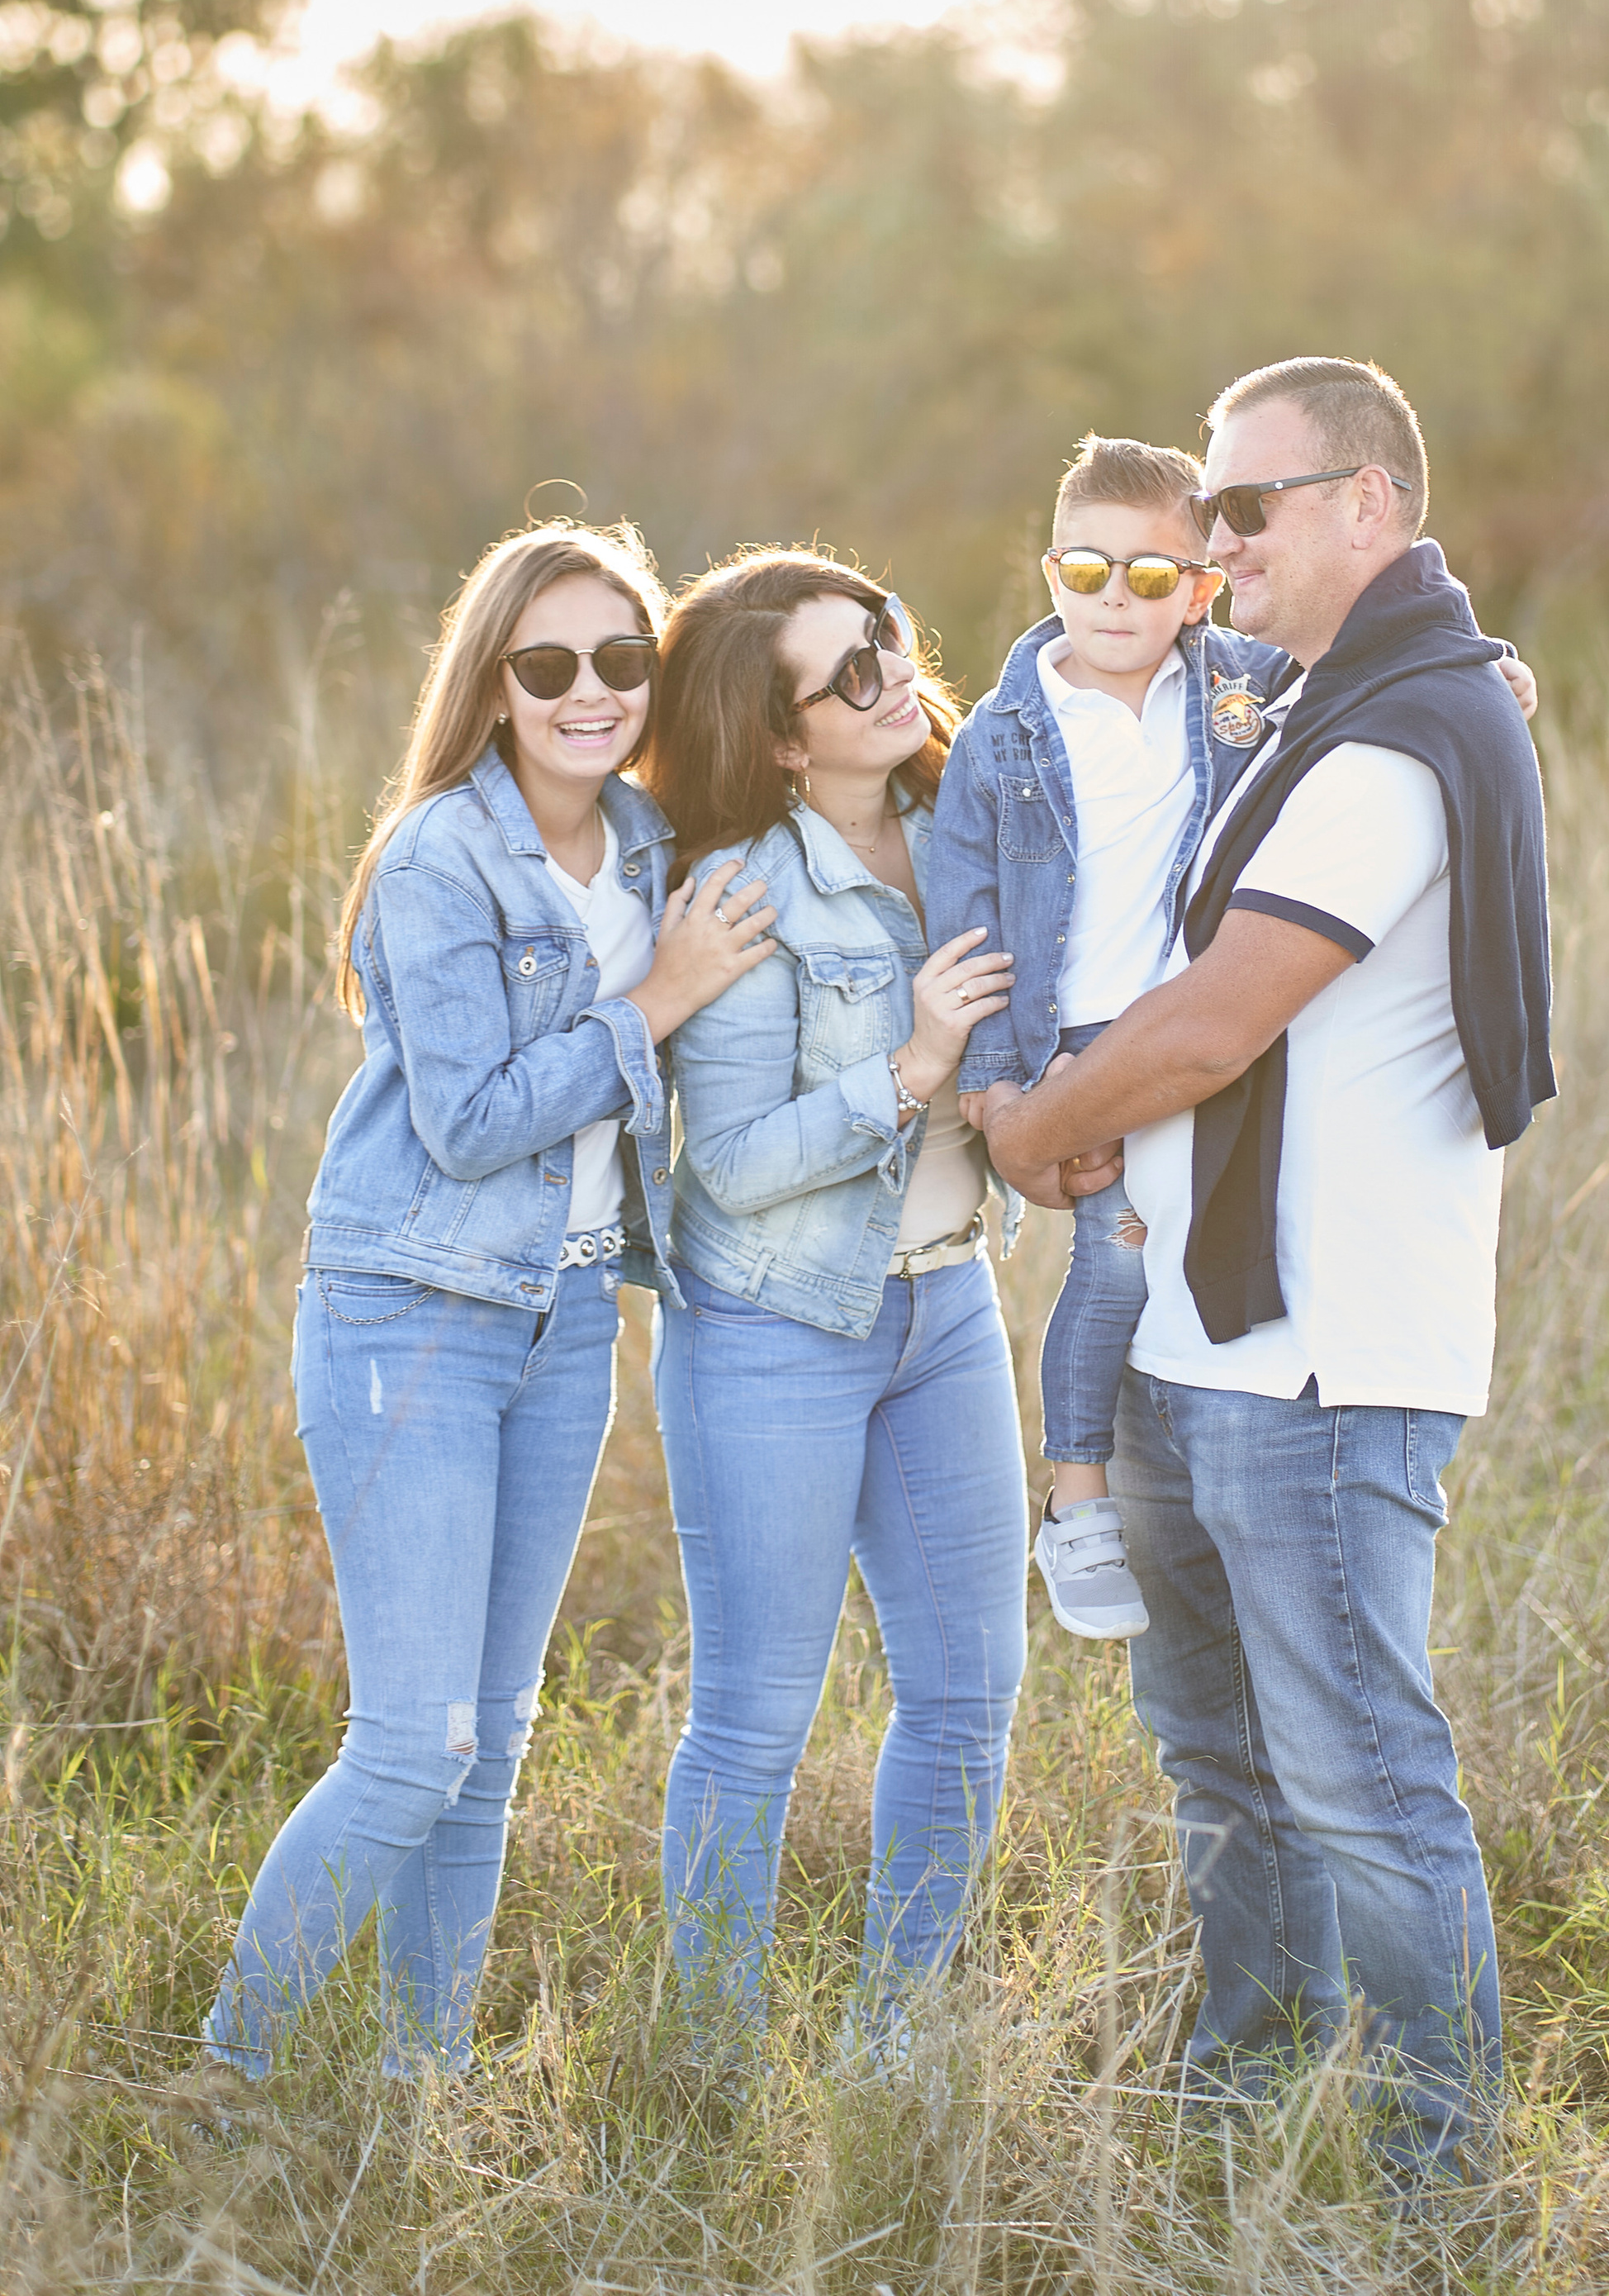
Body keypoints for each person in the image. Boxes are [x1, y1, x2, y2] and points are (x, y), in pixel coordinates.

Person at [978, 358, 1555, 2191]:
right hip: (1199, 1336)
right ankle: (1246, 2111)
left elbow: (1220, 1018)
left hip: (1316, 1359)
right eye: (1205, 513)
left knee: (1361, 1787)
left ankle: (1434, 2189)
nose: (1213, 542)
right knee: (1219, 1765)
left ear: (1368, 503)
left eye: (1247, 506)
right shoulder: (1331, 708)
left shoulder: (1392, 744)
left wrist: (1031, 1128)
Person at [202, 521, 775, 2085]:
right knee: (413, 1745)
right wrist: (657, 998)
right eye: (548, 664)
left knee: (493, 1740)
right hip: (413, 1312)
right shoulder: (438, 857)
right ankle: (231, 2073)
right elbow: (466, 1123)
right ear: (493, 681)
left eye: (621, 659)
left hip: (571, 1315)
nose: (590, 691)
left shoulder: (649, 841)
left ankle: (422, 2085)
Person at [636, 551, 1024, 2057]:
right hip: (771, 1328)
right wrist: (914, 1066)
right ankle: (708, 2061)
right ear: (781, 738)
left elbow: (1154, 717)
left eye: (890, 634)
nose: (894, 674)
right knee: (755, 1718)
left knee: (970, 1694)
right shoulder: (740, 892)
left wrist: (1463, 678)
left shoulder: (969, 823)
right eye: (850, 672)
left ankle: (899, 2045)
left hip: (945, 1309)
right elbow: (730, 1164)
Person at [926, 431, 1280, 1639]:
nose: (1114, 599)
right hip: (1078, 1040)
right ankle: (1077, 1495)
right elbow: (968, 914)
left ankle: (1205, 1487)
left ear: (1200, 588)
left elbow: (1368, 665)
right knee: (1117, 1254)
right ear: (1051, 573)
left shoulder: (1240, 690)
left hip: (1206, 1018)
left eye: (1149, 573)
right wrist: (994, 1086)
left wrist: (1486, 674)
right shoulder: (1005, 735)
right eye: (1087, 570)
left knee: (1207, 1247)